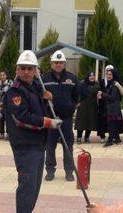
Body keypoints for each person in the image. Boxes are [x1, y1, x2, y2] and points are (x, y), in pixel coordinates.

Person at [3, 50, 60, 213]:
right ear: (17, 70)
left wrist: (47, 99)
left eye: (30, 68)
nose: (27, 72)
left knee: (35, 184)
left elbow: (40, 108)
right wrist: (47, 122)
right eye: (23, 68)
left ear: (36, 70)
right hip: (24, 145)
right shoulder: (14, 92)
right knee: (27, 184)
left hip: (38, 143)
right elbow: (21, 119)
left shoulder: (36, 88)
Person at [42, 50, 79, 182]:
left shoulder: (72, 78)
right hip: (51, 119)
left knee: (68, 146)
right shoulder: (44, 79)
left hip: (66, 119)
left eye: (60, 62)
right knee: (50, 146)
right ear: (52, 64)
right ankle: (50, 171)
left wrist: (70, 107)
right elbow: (41, 99)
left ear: (64, 64)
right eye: (56, 62)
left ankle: (69, 171)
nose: (58, 64)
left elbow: (76, 97)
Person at [100, 68, 123, 147]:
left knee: (111, 125)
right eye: (107, 74)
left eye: (110, 74)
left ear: (113, 75)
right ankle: (117, 139)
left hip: (113, 108)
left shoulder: (113, 84)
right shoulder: (111, 84)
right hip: (113, 108)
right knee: (114, 124)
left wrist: (102, 94)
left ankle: (110, 141)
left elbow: (112, 98)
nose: (108, 76)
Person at [75, 71, 100, 144]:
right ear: (87, 77)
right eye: (90, 75)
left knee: (90, 122)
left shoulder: (97, 85)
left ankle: (87, 137)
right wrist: (77, 102)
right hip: (83, 106)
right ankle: (79, 137)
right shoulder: (83, 84)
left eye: (93, 75)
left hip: (92, 106)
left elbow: (99, 95)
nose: (92, 77)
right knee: (81, 122)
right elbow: (77, 93)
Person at [0, 70, 13, 140]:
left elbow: (11, 93)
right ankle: (1, 133)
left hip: (8, 104)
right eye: (1, 75)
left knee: (8, 119)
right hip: (0, 104)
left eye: (3, 75)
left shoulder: (10, 83)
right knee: (1, 119)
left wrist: (6, 101)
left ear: (6, 76)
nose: (2, 77)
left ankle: (8, 133)